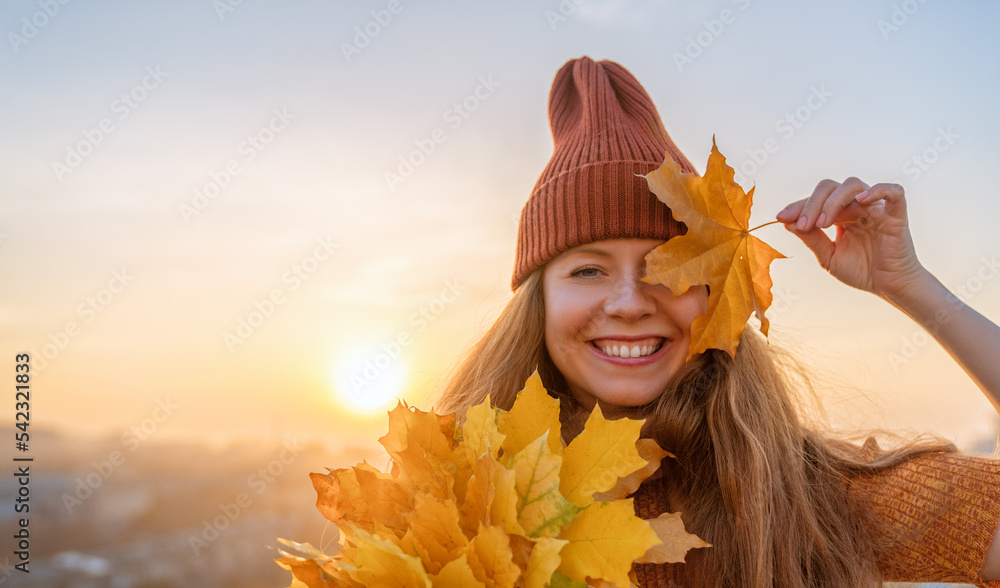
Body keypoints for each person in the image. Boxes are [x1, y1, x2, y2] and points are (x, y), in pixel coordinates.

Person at [436, 56, 1000, 587]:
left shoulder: (805, 496)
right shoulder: (452, 494)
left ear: (715, 295)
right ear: (537, 304)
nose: (630, 303)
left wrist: (913, 288)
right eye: (588, 271)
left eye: (667, 266)